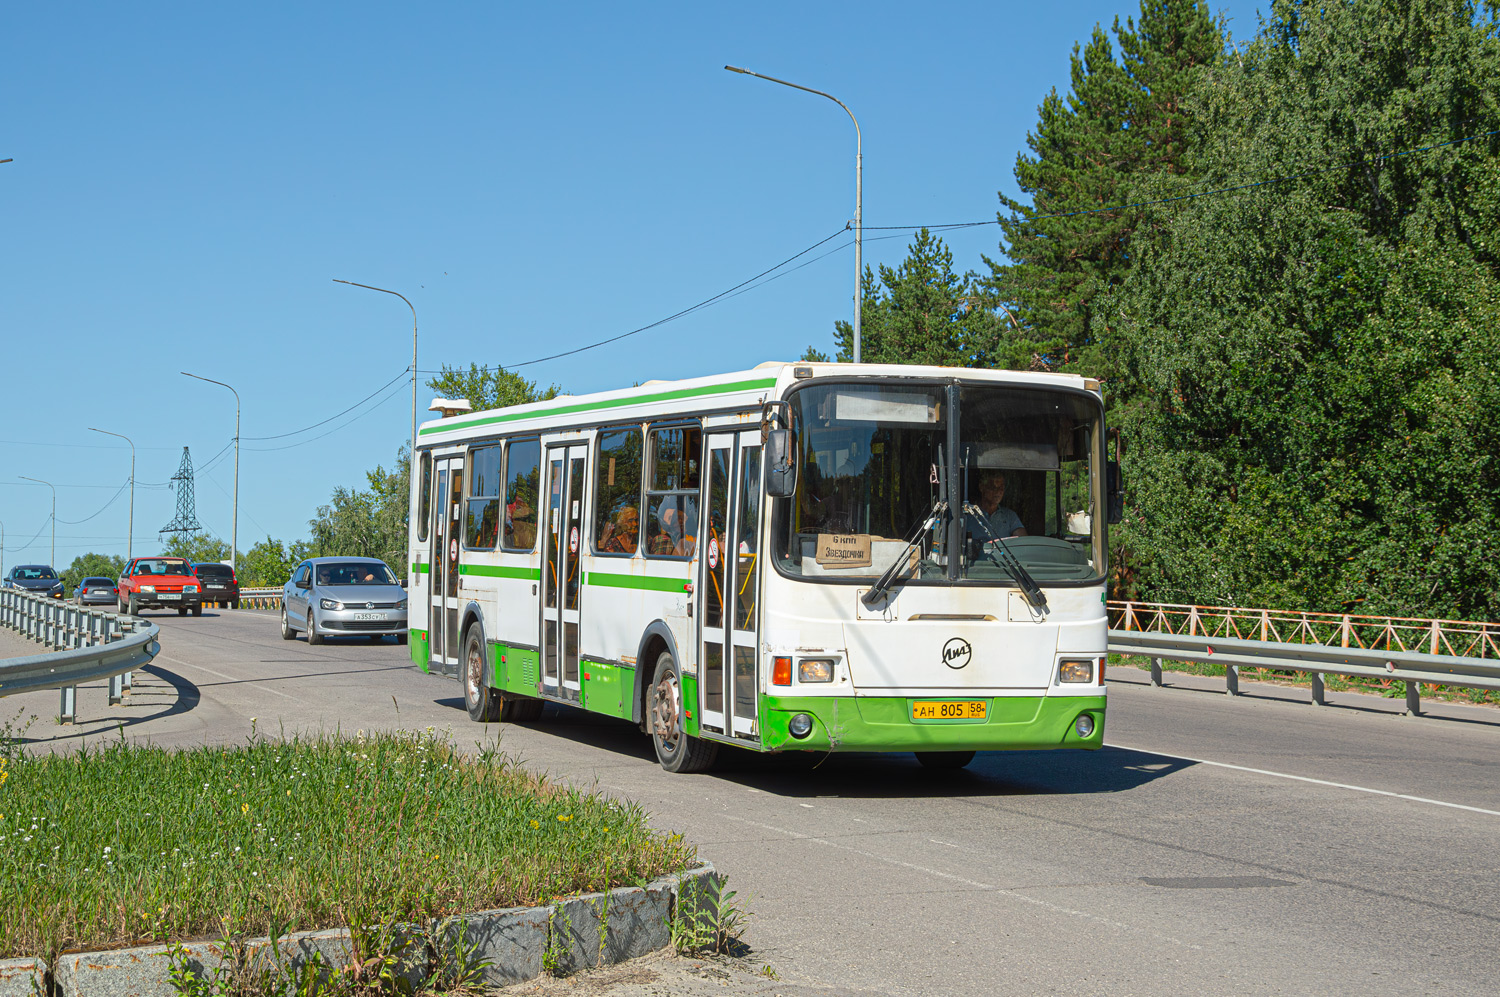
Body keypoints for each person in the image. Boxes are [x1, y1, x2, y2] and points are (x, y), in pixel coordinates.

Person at [976, 470, 1027, 538]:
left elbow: (1023, 541)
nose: (998, 492)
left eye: (1001, 488)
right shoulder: (968, 515)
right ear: (982, 487)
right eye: (993, 487)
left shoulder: (1010, 516)